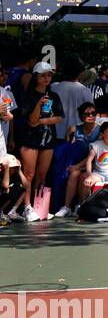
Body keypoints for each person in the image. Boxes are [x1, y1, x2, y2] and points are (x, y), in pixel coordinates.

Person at [16, 61, 62, 221]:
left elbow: (59, 118)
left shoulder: (54, 96)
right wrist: (39, 105)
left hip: (47, 139)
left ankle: (39, 206)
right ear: (36, 77)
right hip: (29, 139)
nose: (47, 78)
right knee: (29, 174)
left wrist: (42, 122)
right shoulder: (28, 96)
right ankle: (26, 207)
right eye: (43, 75)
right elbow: (31, 120)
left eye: (49, 75)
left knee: (42, 175)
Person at [50, 66, 93, 142]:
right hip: (76, 133)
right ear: (80, 74)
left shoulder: (54, 87)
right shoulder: (85, 90)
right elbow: (90, 113)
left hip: (56, 131)